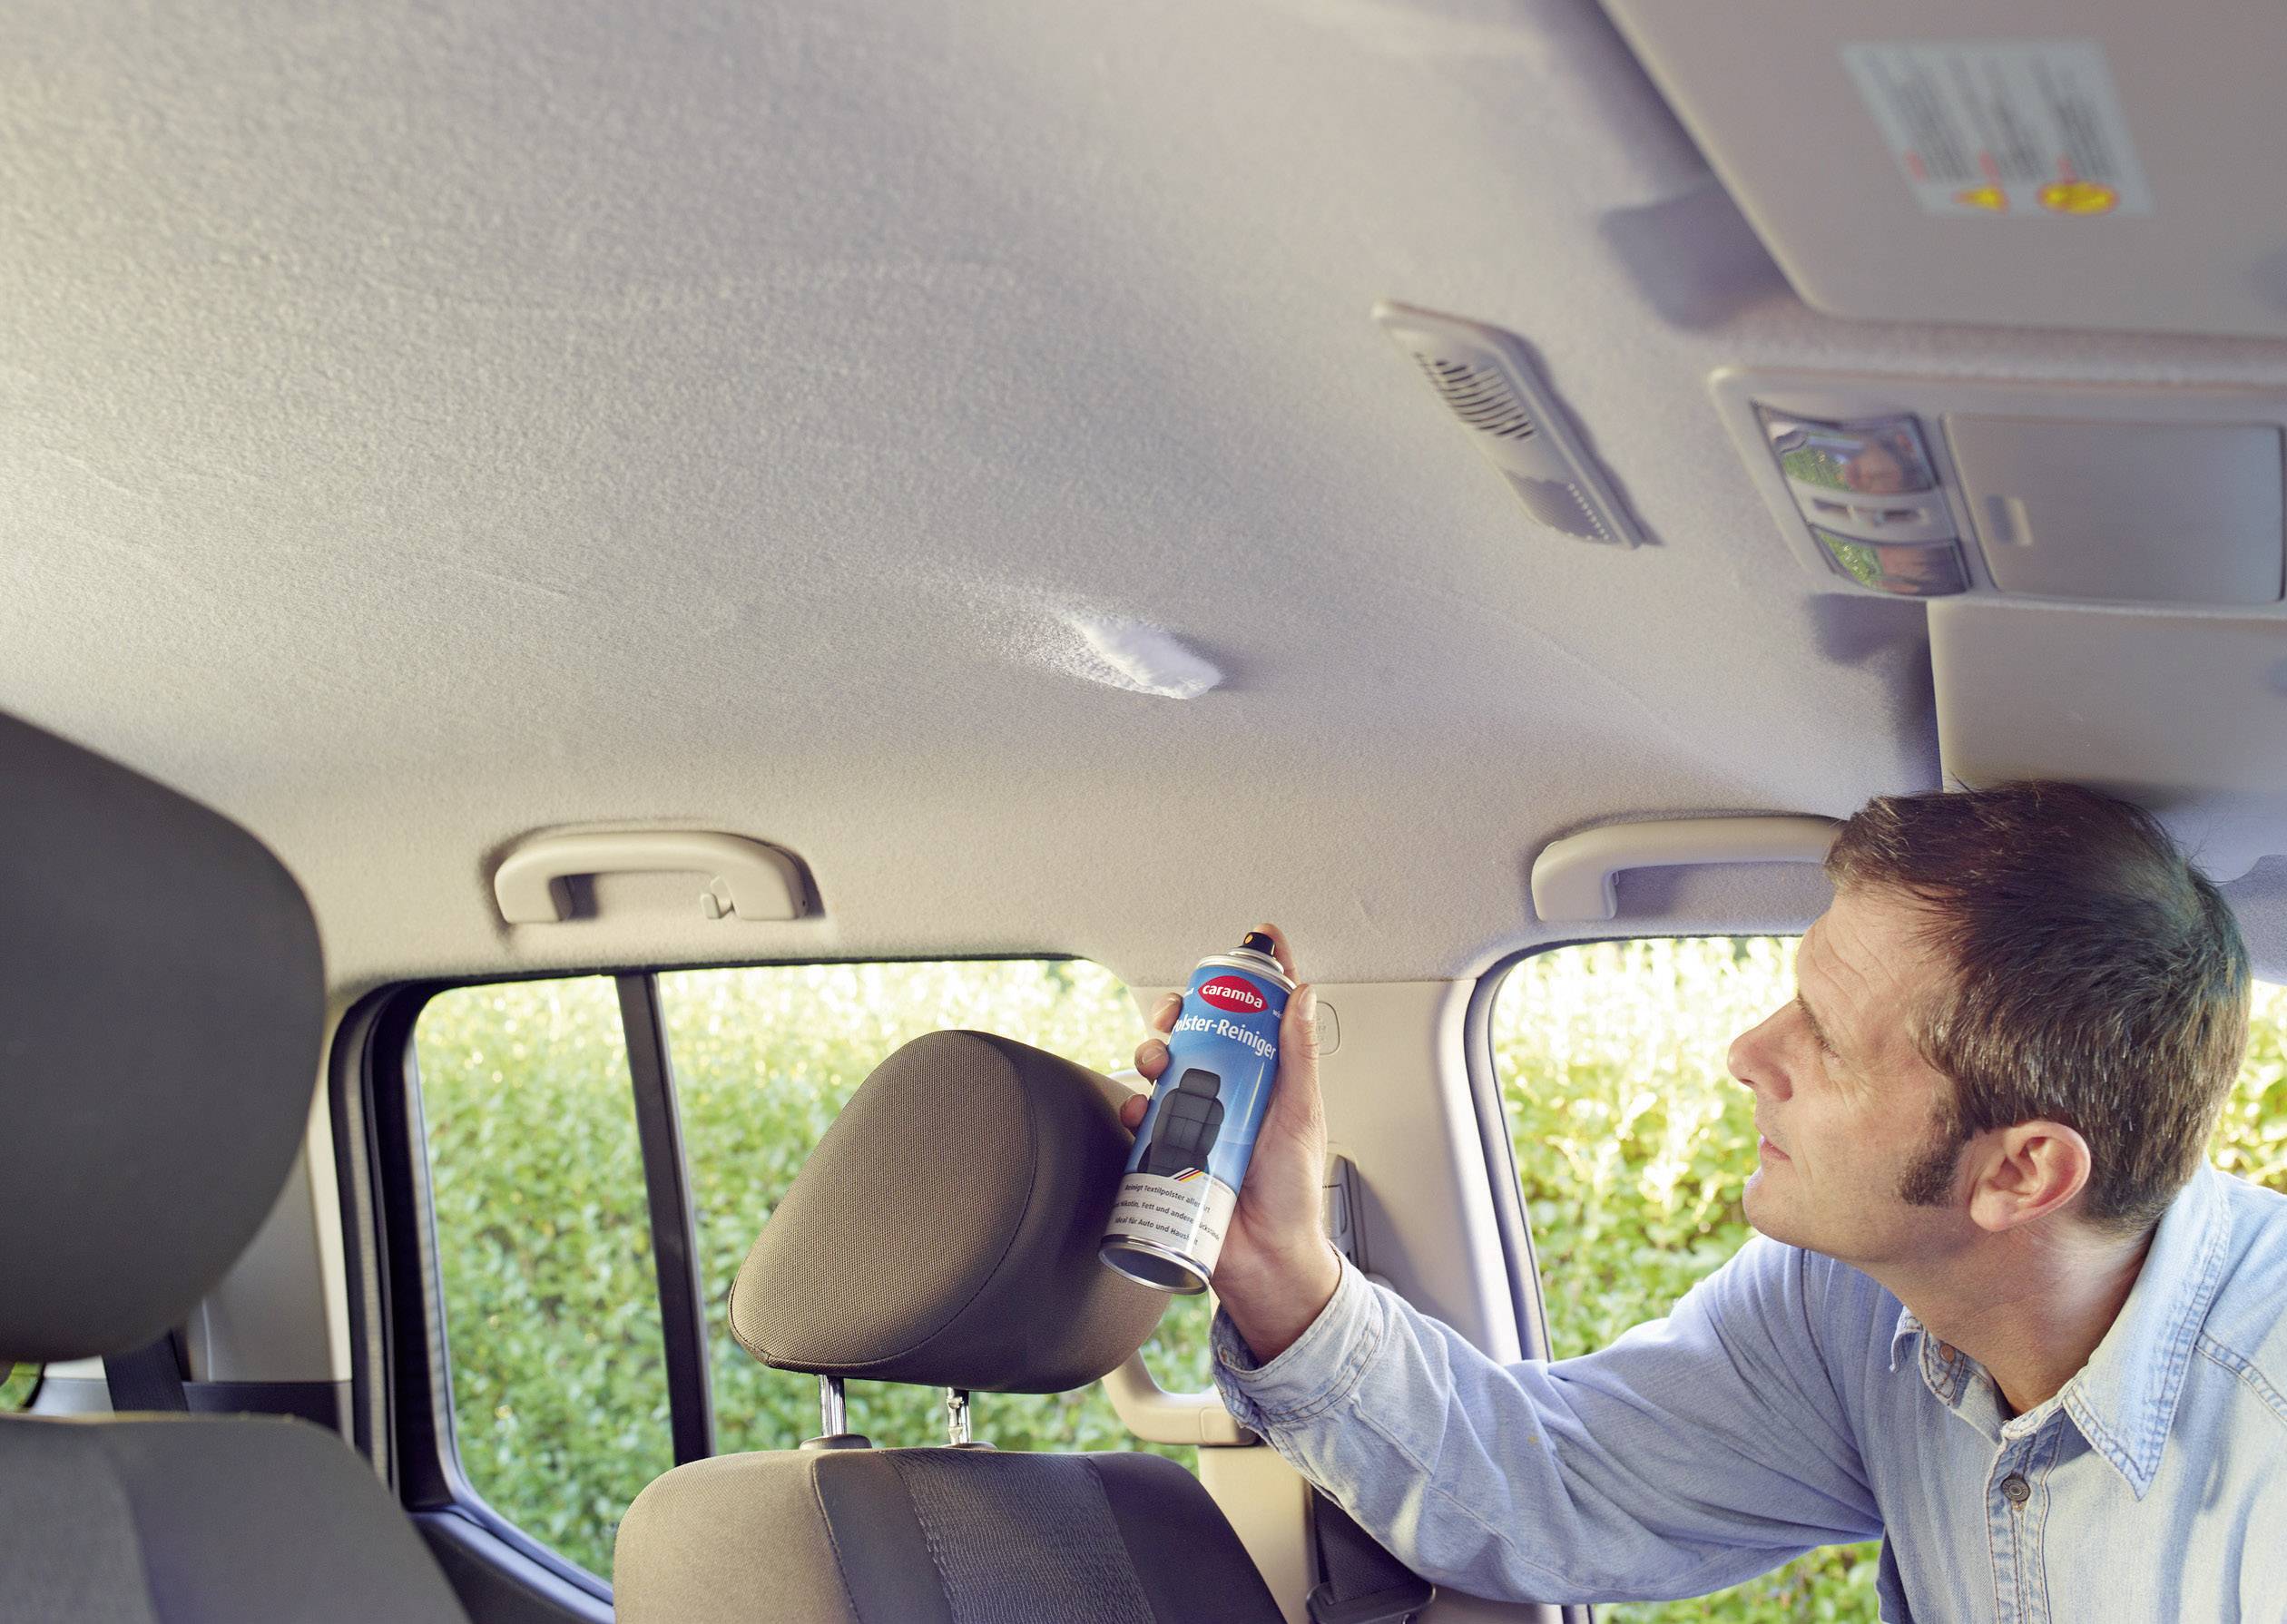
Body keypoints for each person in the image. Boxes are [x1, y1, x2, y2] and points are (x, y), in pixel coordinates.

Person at [1124, 785, 2287, 1620]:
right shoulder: (1847, 1301)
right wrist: (1276, 1265)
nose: (1745, 1050)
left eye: (1825, 1040)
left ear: (2019, 1173)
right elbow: (1554, 1488)